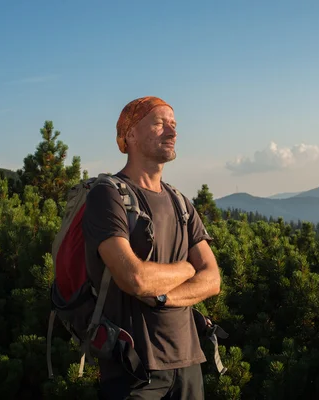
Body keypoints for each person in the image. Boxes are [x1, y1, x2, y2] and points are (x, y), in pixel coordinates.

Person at [82, 96, 222, 399]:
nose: (172, 133)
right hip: (132, 367)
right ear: (130, 134)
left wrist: (162, 297)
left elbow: (212, 279)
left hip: (188, 363)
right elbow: (134, 278)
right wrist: (187, 268)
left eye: (173, 125)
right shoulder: (108, 197)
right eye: (159, 124)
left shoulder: (181, 202)